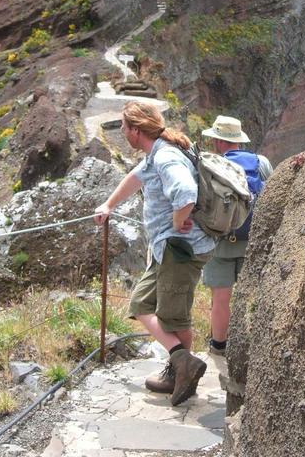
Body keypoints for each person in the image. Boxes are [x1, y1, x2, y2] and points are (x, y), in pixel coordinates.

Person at [94, 100, 215, 406]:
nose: (122, 132)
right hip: (168, 249)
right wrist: (109, 205)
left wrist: (177, 220)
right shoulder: (155, 153)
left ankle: (181, 369)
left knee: (175, 318)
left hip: (180, 249)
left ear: (136, 130)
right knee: (142, 303)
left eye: (124, 127)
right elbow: (134, 179)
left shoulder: (166, 156)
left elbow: (185, 193)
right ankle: (180, 365)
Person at [201, 115, 272, 355]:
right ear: (238, 140)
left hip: (219, 242)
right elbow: (271, 195)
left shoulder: (210, 164)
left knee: (220, 299)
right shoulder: (260, 163)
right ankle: (251, 347)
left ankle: (219, 347)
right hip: (251, 242)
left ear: (219, 142)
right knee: (251, 296)